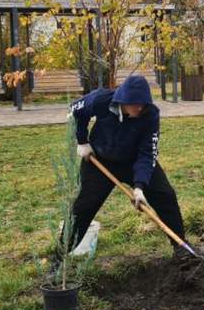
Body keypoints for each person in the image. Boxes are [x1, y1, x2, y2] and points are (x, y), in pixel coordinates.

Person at [67, 74, 197, 261]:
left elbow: (147, 153)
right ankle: (60, 257)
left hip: (133, 160)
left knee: (165, 195)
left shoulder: (150, 114)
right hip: (100, 161)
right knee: (84, 206)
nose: (139, 107)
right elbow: (75, 110)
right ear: (123, 100)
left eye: (143, 103)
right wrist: (82, 140)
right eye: (134, 103)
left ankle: (181, 248)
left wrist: (139, 186)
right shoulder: (101, 100)